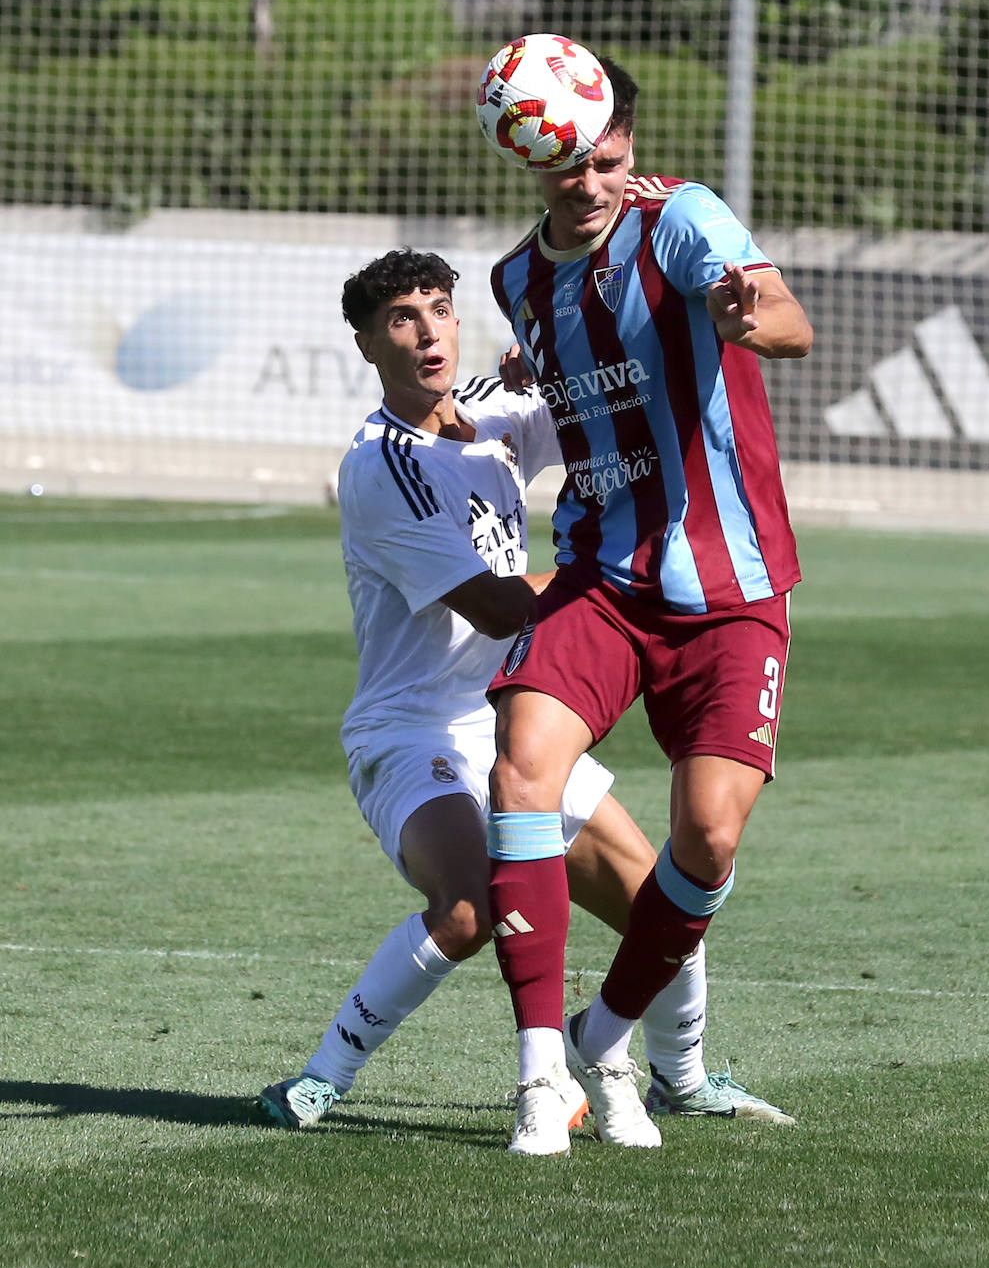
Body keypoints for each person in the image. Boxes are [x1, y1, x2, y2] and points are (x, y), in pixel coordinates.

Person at [257, 248, 794, 1157]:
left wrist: (572, 365)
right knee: (468, 906)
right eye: (401, 319)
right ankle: (322, 1077)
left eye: (438, 309)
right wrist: (627, 580)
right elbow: (502, 604)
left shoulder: (493, 412)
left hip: (512, 713)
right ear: (365, 344)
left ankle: (689, 1079)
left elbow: (600, 410)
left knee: (664, 908)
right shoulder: (380, 467)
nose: (427, 332)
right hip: (412, 727)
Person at [482, 51, 814, 1151]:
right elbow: (565, 370)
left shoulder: (682, 218)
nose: (593, 182)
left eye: (609, 159)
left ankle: (605, 1031)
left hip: (729, 587)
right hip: (601, 576)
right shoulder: (513, 282)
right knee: (521, 767)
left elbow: (787, 322)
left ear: (627, 140)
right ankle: (540, 1074)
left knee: (708, 841)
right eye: (571, 165)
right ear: (531, 156)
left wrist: (744, 318)